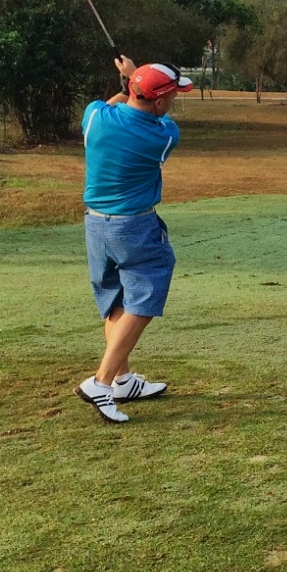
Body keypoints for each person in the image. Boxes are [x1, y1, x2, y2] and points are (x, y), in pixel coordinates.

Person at [76, 54, 192, 423]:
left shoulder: (95, 117)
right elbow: (146, 113)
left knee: (116, 303)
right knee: (142, 301)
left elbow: (112, 104)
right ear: (159, 102)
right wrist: (132, 78)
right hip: (135, 228)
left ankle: (123, 381)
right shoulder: (163, 135)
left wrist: (130, 82)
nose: (173, 101)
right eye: (171, 96)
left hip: (95, 226)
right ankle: (101, 382)